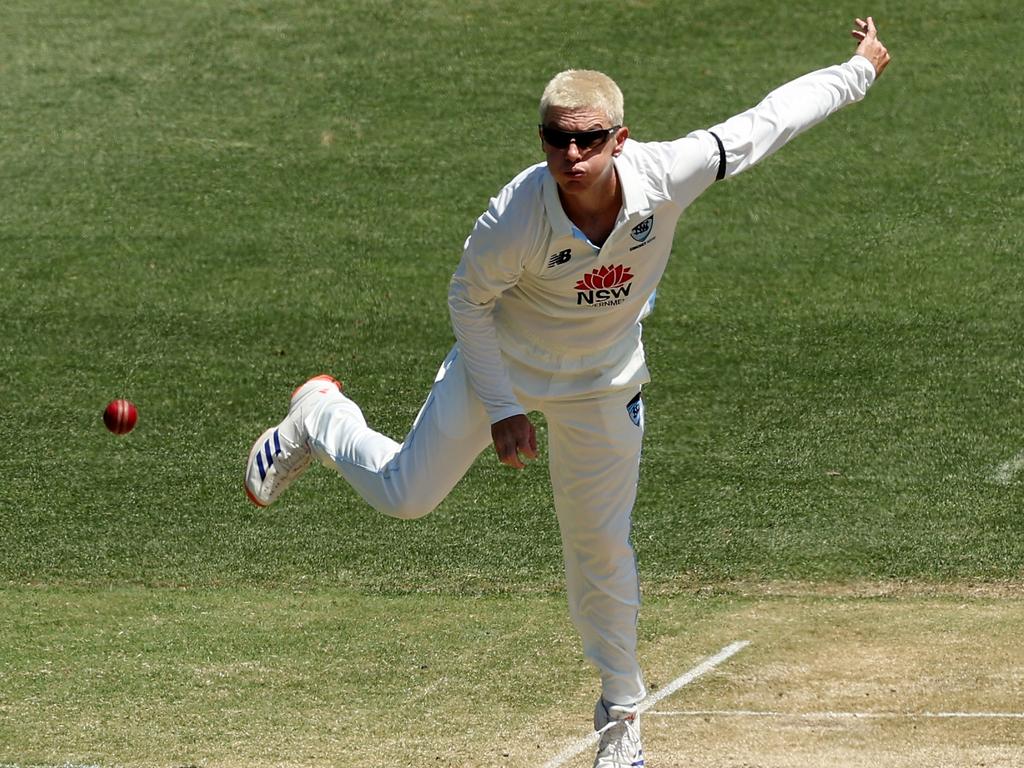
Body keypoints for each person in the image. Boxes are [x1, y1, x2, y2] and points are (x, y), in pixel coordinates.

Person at [245, 17, 890, 767]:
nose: (571, 155)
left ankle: (621, 720)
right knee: (404, 495)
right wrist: (507, 408)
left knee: (600, 546)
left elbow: (768, 122)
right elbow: (467, 305)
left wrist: (861, 70)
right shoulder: (513, 217)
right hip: (504, 366)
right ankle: (319, 416)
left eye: (588, 139)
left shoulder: (667, 173)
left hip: (603, 382)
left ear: (621, 137)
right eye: (556, 139)